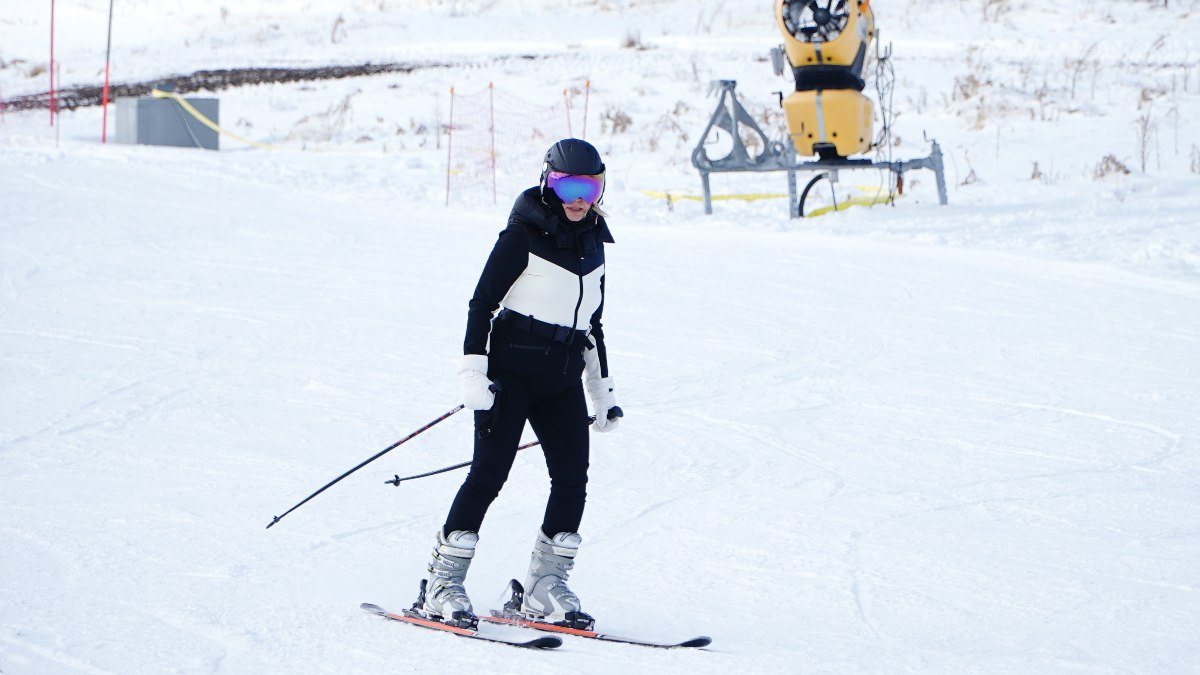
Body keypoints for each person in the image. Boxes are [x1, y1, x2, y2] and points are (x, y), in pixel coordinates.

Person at [413, 138, 620, 631]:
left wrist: (603, 394)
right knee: (488, 477)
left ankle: (544, 587)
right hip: (510, 377)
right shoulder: (520, 238)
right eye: (566, 185)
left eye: (588, 187)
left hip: (563, 380)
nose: (577, 198)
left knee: (572, 481)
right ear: (548, 182)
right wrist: (473, 375)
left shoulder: (595, 246)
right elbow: (480, 306)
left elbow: (593, 325)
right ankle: (442, 583)